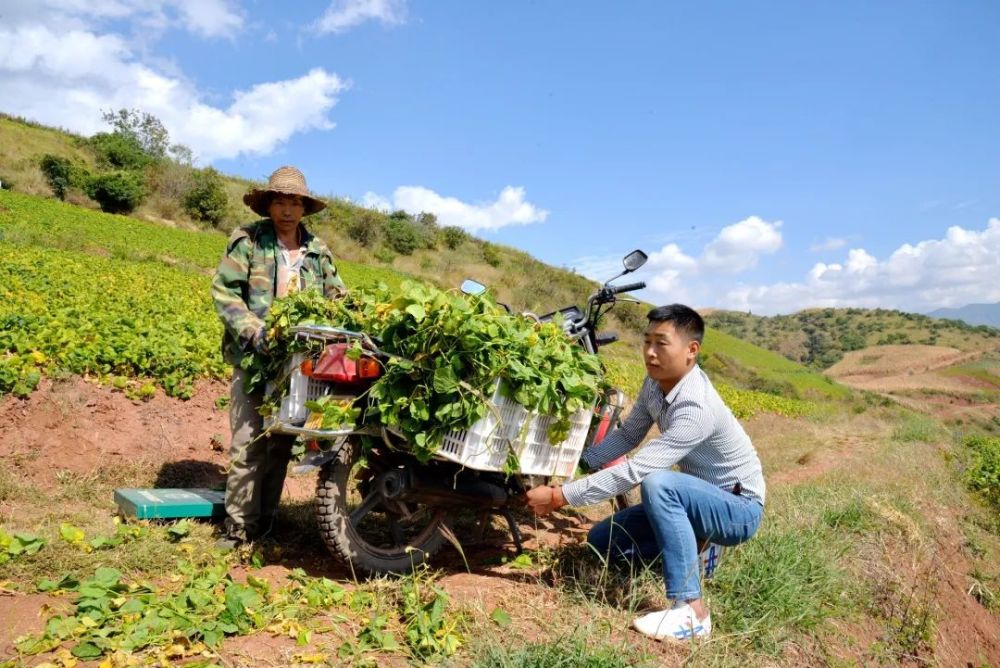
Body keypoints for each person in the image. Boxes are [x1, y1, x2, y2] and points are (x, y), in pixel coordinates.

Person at [525, 304, 765, 641]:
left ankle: (691, 612)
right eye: (646, 341)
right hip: (694, 498)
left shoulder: (696, 406)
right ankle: (695, 551)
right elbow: (627, 435)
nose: (650, 353)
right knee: (601, 541)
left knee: (658, 483)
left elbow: (638, 469)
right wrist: (577, 466)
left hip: (737, 508)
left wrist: (560, 497)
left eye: (662, 343)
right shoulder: (656, 384)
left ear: (691, 351)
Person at [211, 165, 346, 546]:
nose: (287, 210)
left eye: (295, 203)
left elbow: (338, 298)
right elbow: (225, 292)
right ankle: (239, 527)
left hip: (299, 364)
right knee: (248, 442)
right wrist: (253, 330)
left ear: (304, 208)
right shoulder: (249, 241)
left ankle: (267, 522)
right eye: (281, 202)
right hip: (254, 358)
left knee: (281, 443)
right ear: (269, 205)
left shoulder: (318, 252)